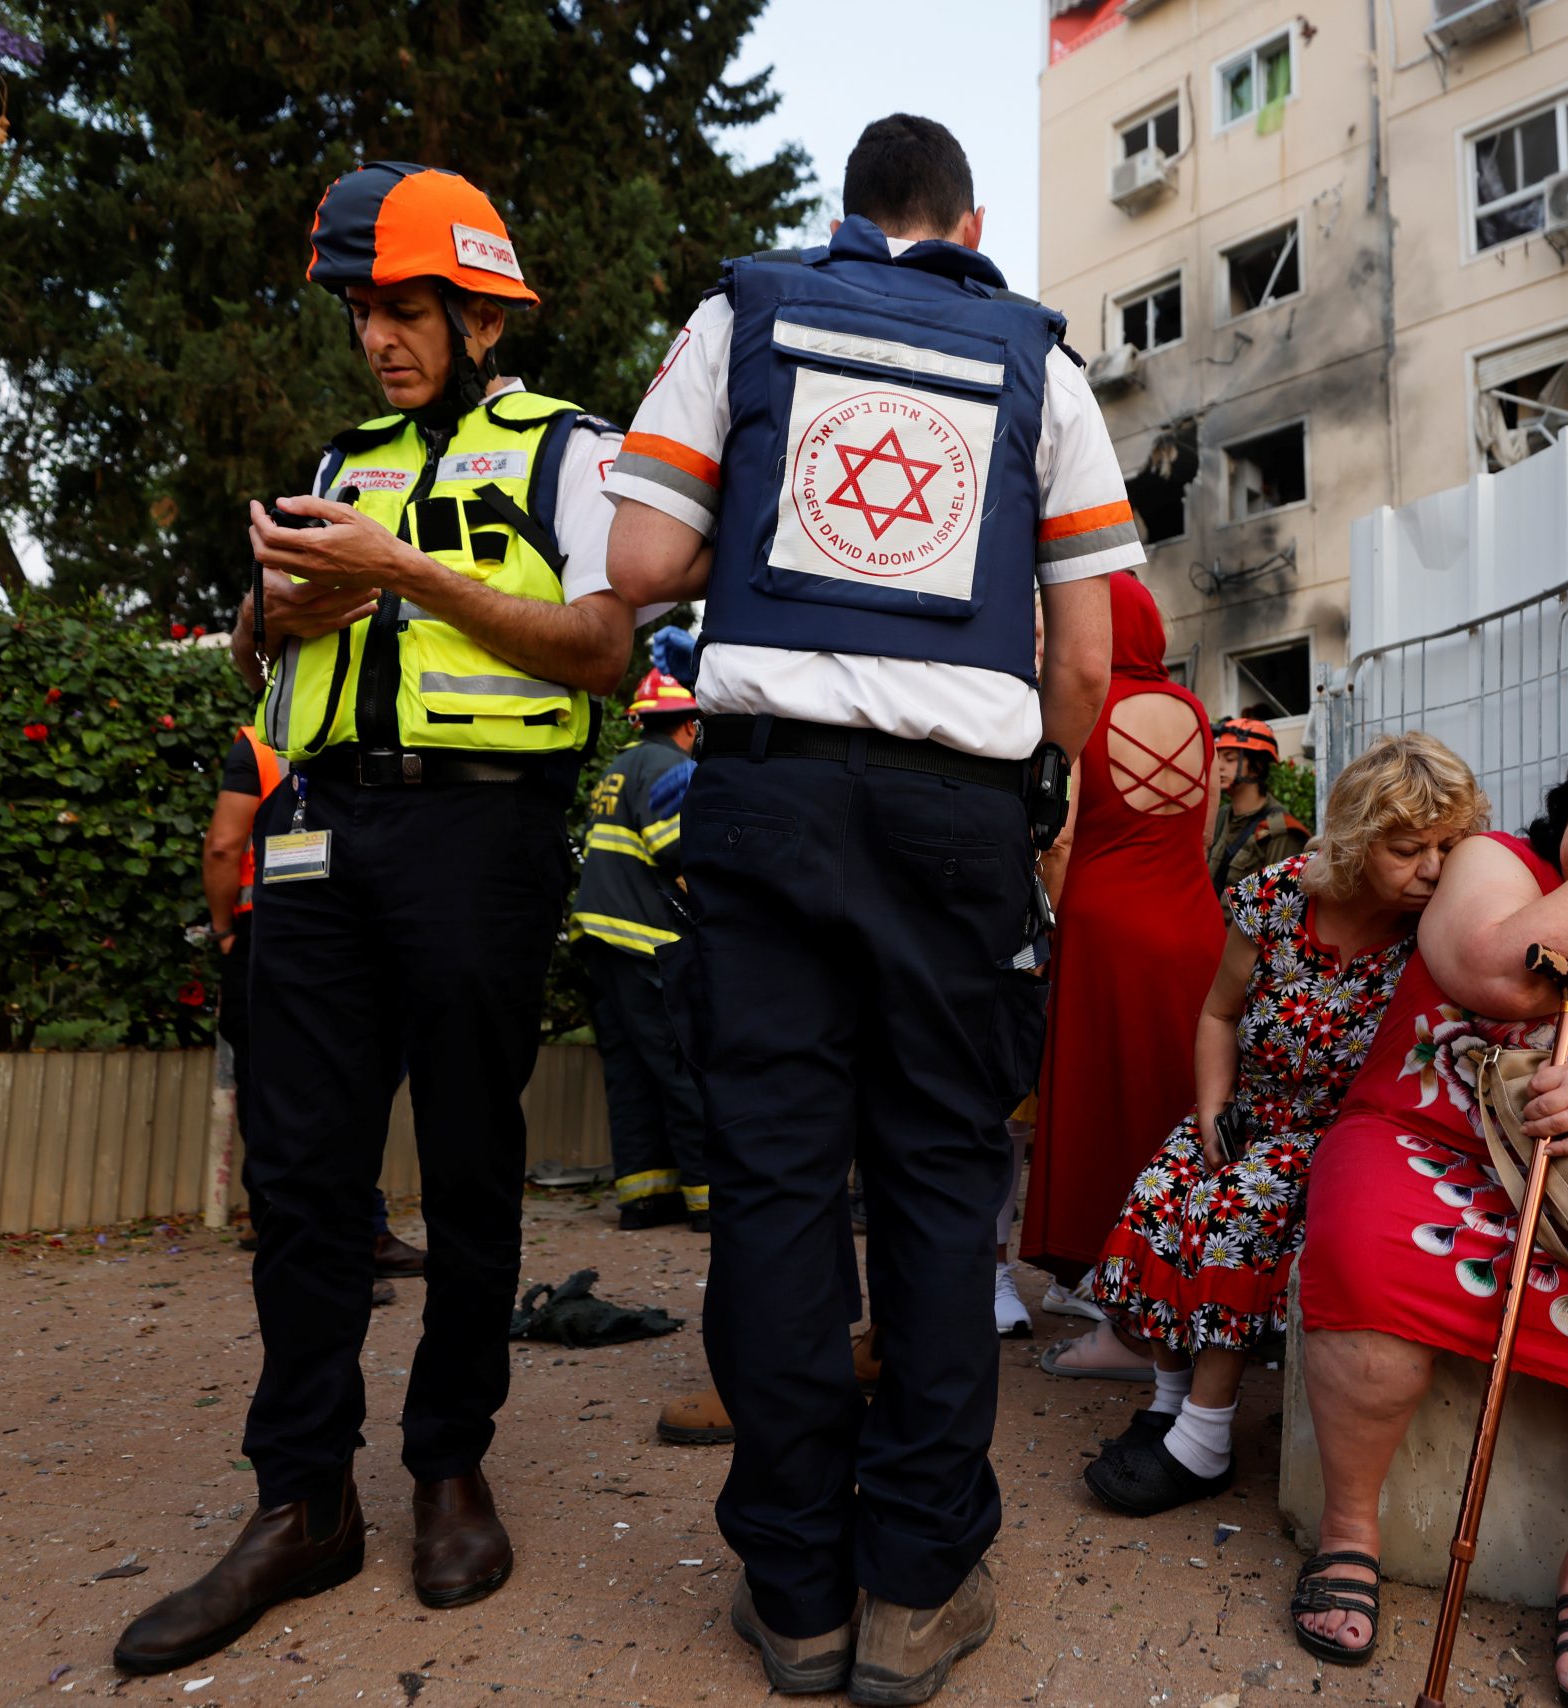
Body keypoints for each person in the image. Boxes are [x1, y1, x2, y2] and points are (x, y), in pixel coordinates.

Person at [602, 113, 1130, 1705]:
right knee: (934, 1186)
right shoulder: (1040, 358)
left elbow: (636, 555)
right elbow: (1090, 660)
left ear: (845, 213)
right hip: (954, 818)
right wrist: (1028, 813)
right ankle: (913, 1591)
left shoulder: (744, 311)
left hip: (762, 794)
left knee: (770, 1185)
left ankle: (795, 1593)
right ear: (966, 219)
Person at [117, 163, 646, 1676]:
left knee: (473, 1162)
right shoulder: (336, 464)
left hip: (482, 832)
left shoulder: (571, 455)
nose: (377, 337)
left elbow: (606, 650)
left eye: (405, 309)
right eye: (362, 310)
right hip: (316, 833)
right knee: (302, 1180)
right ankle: (302, 1500)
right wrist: (271, 612)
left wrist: (406, 574)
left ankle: (447, 1468)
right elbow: (257, 651)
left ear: (481, 318)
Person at [1287, 717, 1568, 1705]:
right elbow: (1504, 971)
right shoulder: (1495, 861)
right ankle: (1349, 1531)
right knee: (1368, 1251)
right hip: (1426, 1135)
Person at [1073, 734, 1487, 1514]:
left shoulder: (1437, 930)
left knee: (1240, 1210)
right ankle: (1168, 1398)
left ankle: (1206, 1433)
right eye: (1408, 849)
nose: (1433, 869)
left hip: (1348, 1134)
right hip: (1252, 1109)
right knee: (1165, 1188)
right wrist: (1208, 1109)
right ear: (1360, 839)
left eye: (1447, 847)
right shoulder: (1277, 895)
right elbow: (1219, 1012)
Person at [1021, 571, 1221, 1328]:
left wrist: (1056, 925)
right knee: (1174, 1101)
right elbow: (1199, 838)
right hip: (1192, 921)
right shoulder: (1197, 714)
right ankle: (1174, 1275)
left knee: (1103, 1105)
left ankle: (1105, 1280)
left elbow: (1060, 838)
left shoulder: (1079, 710)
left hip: (1105, 924)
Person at [203, 723, 425, 1286]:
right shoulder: (381, 725)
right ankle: (352, 1234)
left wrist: (224, 931)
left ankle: (298, 1233)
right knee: (359, 1082)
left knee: (280, 1087)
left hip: (276, 927)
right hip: (370, 923)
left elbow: (224, 845)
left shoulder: (255, 744)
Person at [573, 667, 709, 1231]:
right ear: (688, 727)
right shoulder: (670, 766)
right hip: (643, 939)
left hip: (600, 938)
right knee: (680, 1065)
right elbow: (673, 849)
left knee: (629, 1072)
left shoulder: (621, 765)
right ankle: (709, 1199)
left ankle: (645, 1196)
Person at [1207, 716, 1309, 896]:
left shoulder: (1281, 831)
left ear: (1257, 766)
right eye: (1218, 758)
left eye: (1229, 759)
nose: (1219, 767)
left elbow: (1278, 905)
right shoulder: (1220, 817)